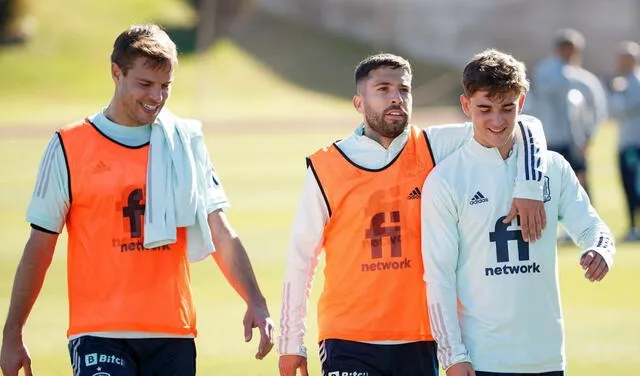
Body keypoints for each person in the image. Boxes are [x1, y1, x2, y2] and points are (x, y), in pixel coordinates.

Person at [0, 24, 274, 376]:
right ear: (116, 72)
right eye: (145, 84)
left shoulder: (186, 143)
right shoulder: (69, 146)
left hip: (172, 334)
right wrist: (13, 332)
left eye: (165, 86)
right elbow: (40, 245)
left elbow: (219, 231)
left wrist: (256, 301)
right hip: (99, 333)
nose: (156, 97)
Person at [278, 53, 549, 376]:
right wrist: (291, 341)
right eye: (383, 89)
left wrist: (529, 187)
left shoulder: (434, 146)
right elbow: (300, 258)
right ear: (358, 103)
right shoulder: (326, 165)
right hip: (349, 338)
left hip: (420, 338)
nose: (396, 98)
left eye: (403, 90)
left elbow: (526, 124)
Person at [421, 49, 616, 376]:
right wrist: (453, 355)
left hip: (547, 358)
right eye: (484, 108)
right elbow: (438, 278)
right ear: (466, 106)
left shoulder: (552, 168)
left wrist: (600, 250)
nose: (496, 120)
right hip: (484, 359)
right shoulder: (446, 180)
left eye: (507, 108)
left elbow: (595, 229)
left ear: (522, 104)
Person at [526, 28, 608, 197]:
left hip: (574, 141)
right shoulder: (546, 72)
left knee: (579, 184)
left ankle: (586, 221)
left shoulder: (584, 80)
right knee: (551, 185)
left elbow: (597, 109)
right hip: (549, 139)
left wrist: (589, 137)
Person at [607, 41, 640, 241]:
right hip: (626, 142)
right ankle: (632, 227)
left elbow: (619, 109)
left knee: (633, 186)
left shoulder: (633, 82)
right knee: (628, 186)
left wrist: (616, 92)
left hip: (633, 144)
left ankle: (634, 228)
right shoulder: (628, 82)